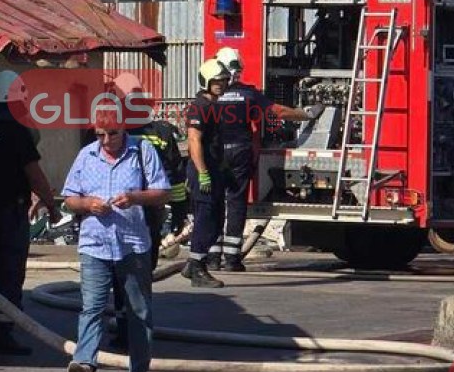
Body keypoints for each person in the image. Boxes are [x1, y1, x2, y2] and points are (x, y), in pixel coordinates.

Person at [63, 110, 171, 372]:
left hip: (132, 244)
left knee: (138, 310)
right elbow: (70, 197)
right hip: (95, 244)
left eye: (112, 134)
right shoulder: (87, 155)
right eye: (100, 134)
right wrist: (87, 204)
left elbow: (163, 191)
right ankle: (85, 364)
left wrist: (135, 197)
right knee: (93, 307)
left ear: (123, 129)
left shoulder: (141, 151)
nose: (106, 140)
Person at [0, 70, 59, 356]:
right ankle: (1, 336)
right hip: (7, 215)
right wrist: (51, 205)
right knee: (7, 276)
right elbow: (35, 176)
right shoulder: (18, 133)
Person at [209, 47, 323, 273]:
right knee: (236, 204)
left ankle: (212, 258)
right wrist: (307, 114)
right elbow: (278, 112)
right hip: (240, 154)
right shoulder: (248, 95)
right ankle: (232, 260)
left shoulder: (209, 96)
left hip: (215, 155)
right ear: (237, 70)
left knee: (214, 204)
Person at [104, 73, 188, 352]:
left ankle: (128, 330)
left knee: (122, 275)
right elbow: (175, 174)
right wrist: (178, 210)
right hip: (147, 213)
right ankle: (135, 330)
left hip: (124, 215)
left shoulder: (113, 133)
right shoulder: (161, 132)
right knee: (139, 274)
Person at [180, 59, 232, 289]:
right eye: (217, 81)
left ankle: (194, 264)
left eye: (223, 80)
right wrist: (202, 172)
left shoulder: (215, 106)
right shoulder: (199, 106)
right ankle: (197, 267)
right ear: (206, 82)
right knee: (206, 220)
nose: (221, 84)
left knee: (216, 220)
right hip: (204, 172)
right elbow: (194, 140)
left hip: (215, 171)